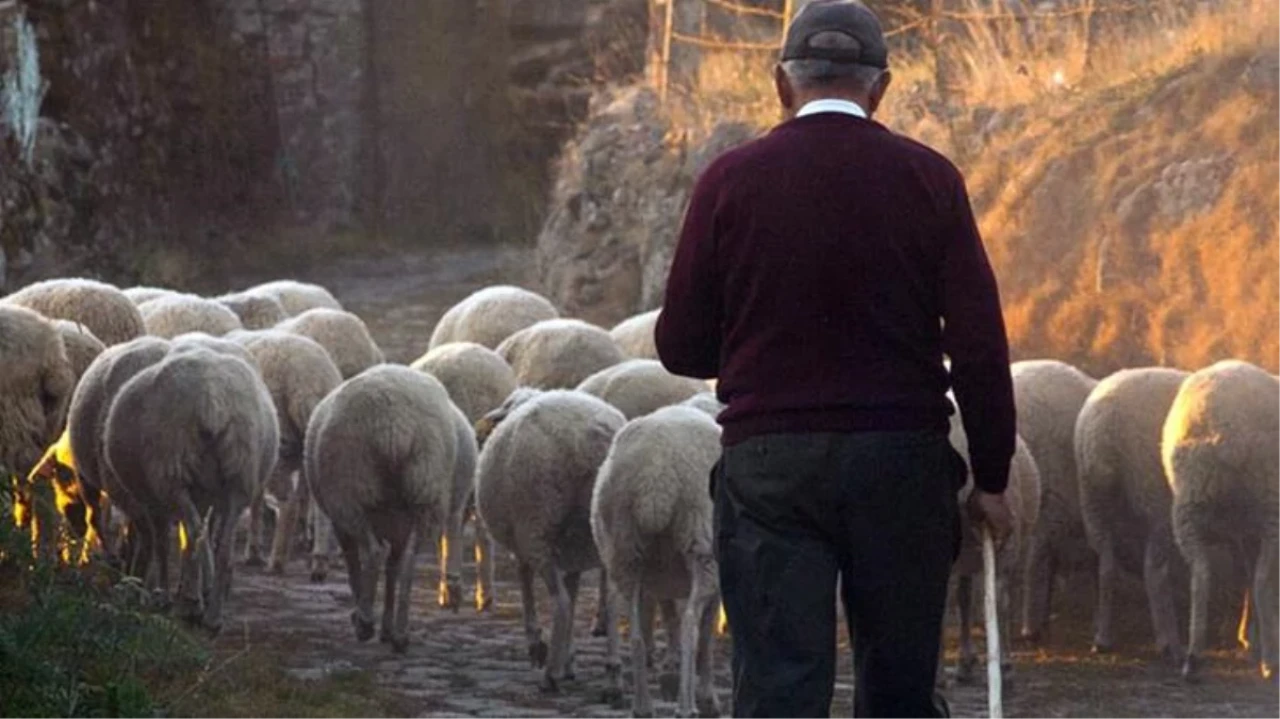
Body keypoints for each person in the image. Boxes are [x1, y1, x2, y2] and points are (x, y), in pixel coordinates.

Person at [653, 1, 1016, 717]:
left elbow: (679, 345)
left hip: (771, 466)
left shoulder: (729, 181)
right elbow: (977, 342)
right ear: (880, 86)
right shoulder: (930, 180)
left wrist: (760, 351)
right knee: (900, 685)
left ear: (781, 83)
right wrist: (994, 476)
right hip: (900, 466)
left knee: (781, 682)